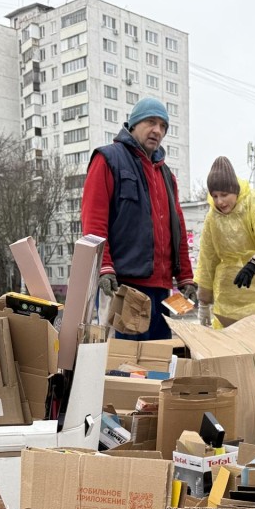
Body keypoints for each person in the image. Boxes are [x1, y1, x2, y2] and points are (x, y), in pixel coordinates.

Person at [81, 97, 196, 341]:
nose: (158, 130)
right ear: (133, 124)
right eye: (151, 122)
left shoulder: (167, 176)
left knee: (158, 364)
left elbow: (177, 230)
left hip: (163, 290)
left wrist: (185, 276)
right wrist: (104, 267)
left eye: (163, 126)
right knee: (123, 366)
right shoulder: (108, 160)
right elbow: (94, 220)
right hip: (123, 285)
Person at [195, 157, 255, 332]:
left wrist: (254, 264)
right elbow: (207, 261)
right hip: (228, 301)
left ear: (235, 191)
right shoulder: (212, 219)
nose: (219, 201)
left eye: (224, 194)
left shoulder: (254, 207)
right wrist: (204, 303)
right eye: (214, 195)